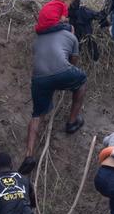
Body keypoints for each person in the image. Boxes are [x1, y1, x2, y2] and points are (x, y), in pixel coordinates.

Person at [20, 27, 87, 174]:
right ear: (71, 30)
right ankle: (72, 121)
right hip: (62, 72)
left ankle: (29, 155)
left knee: (37, 114)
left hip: (39, 78)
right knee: (82, 81)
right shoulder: (72, 37)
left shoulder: (38, 40)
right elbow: (73, 63)